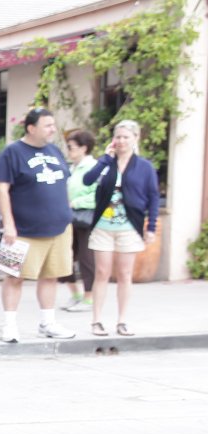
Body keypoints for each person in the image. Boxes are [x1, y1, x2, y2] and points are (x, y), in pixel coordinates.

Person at [0, 108, 77, 344]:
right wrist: (9, 224)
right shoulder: (12, 153)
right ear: (31, 128)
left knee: (51, 275)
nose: (53, 129)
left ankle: (47, 323)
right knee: (13, 276)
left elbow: (63, 183)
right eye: (47, 125)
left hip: (59, 229)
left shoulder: (54, 151)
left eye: (53, 125)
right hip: (22, 231)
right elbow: (0, 189)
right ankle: (9, 325)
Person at [82, 119, 160, 337]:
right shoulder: (107, 163)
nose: (122, 141)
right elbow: (87, 180)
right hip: (103, 227)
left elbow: (153, 197)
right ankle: (96, 320)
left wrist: (151, 227)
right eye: (118, 137)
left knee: (125, 274)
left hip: (129, 227)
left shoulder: (144, 167)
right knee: (101, 272)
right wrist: (105, 159)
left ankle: (122, 320)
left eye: (126, 137)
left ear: (135, 138)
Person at [60, 130, 98, 312]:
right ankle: (75, 294)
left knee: (86, 258)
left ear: (84, 148)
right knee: (64, 255)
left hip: (86, 217)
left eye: (71, 147)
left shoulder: (93, 167)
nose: (68, 151)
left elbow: (98, 194)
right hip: (68, 217)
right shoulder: (71, 168)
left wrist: (75, 202)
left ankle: (89, 297)